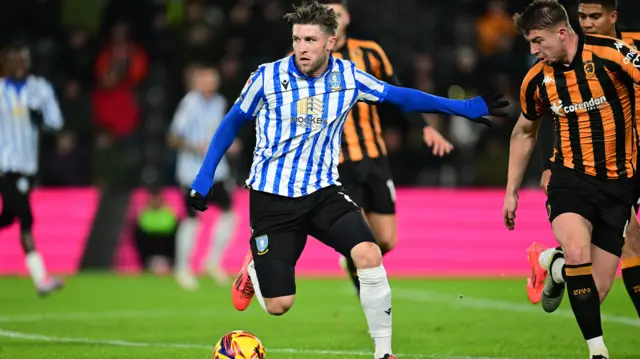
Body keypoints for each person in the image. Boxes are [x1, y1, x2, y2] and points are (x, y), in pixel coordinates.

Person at [189, 2, 508, 359]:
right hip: (272, 200)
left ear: (331, 41)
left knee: (370, 254)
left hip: (324, 193)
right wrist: (205, 176)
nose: (302, 47)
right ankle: (253, 271)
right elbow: (230, 124)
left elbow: (400, 97)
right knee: (280, 305)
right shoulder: (266, 77)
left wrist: (464, 107)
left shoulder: (348, 77)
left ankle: (383, 353)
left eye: (311, 39)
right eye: (297, 39)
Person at [503, 1, 640, 357]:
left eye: (537, 41)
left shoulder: (615, 55)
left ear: (562, 33)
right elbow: (524, 132)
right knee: (579, 249)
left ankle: (555, 266)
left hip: (619, 184)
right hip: (569, 179)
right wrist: (511, 192)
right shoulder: (537, 79)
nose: (534, 51)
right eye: (530, 43)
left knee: (597, 287)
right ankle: (598, 352)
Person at [319, 0, 454, 294]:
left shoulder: (369, 52)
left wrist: (425, 127)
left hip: (375, 158)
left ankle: (352, 264)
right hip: (337, 164)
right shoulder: (308, 58)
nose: (334, 19)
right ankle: (366, 292)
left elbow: (397, 91)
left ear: (348, 18)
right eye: (327, 15)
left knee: (387, 240)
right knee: (361, 240)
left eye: (337, 14)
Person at [0, 42, 64, 296]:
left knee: (8, 217)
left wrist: (42, 119)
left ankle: (41, 280)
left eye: (22, 60)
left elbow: (56, 122)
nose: (18, 65)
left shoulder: (40, 88)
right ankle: (41, 280)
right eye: (13, 60)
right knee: (26, 218)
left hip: (27, 166)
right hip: (4, 165)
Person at [168, 65, 239, 290]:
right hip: (192, 172)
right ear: (198, 82)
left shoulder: (219, 102)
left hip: (217, 170)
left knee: (229, 213)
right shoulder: (189, 104)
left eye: (213, 80)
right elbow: (173, 138)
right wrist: (194, 146)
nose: (211, 83)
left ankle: (213, 261)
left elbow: (221, 130)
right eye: (206, 80)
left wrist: (231, 142)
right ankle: (182, 268)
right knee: (191, 219)